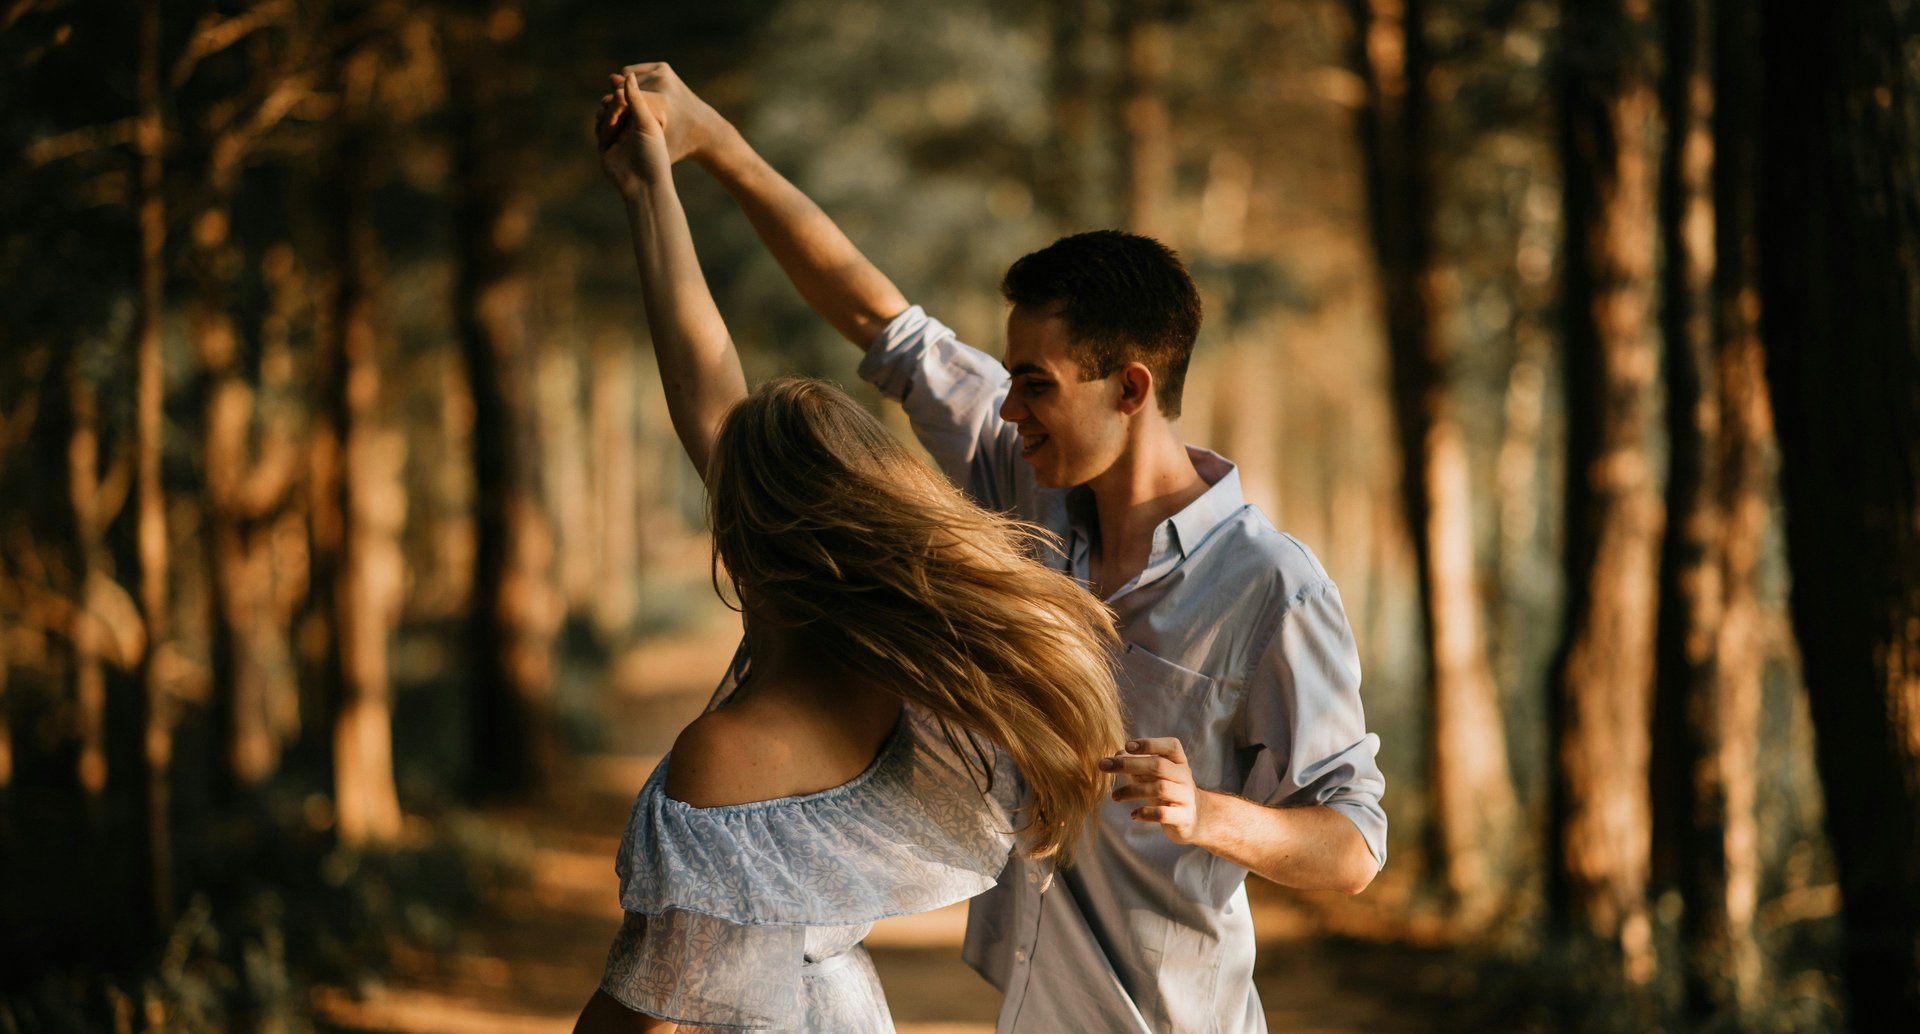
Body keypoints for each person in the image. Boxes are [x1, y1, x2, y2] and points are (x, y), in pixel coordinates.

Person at [607, 63, 1390, 1034]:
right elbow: (878, 321)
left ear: (1131, 388)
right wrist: (711, 148)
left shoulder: (1272, 588)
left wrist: (1209, 812)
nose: (1005, 407)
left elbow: (1354, 846)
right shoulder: (1025, 478)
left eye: (1034, 383)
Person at [572, 75, 1129, 1034]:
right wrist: (649, 189)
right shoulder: (916, 694)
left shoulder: (728, 752)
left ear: (749, 532)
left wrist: (659, 183)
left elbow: (646, 1015)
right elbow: (708, 389)